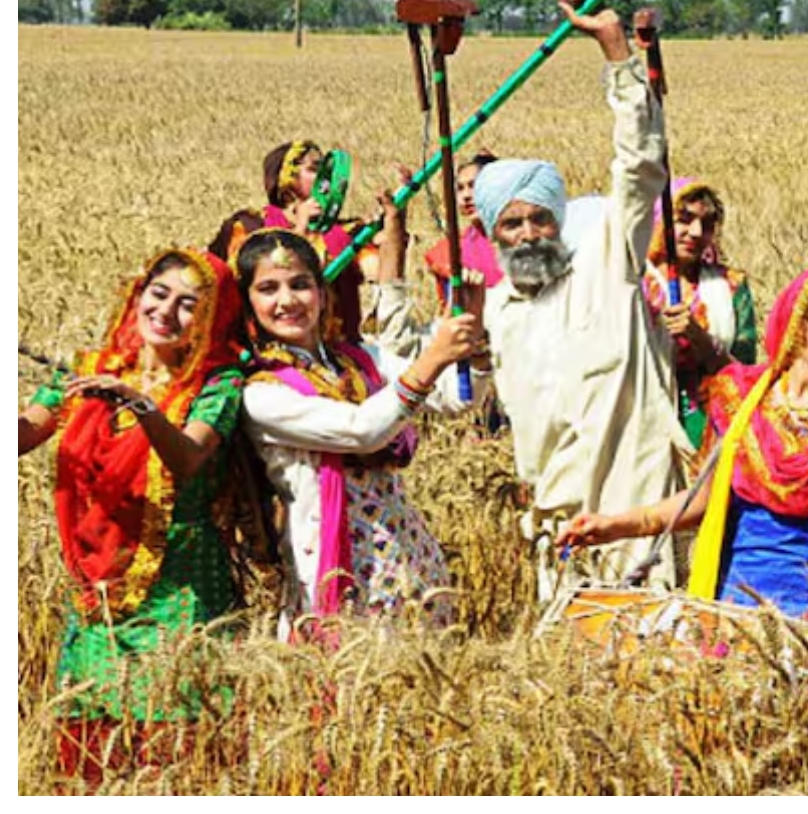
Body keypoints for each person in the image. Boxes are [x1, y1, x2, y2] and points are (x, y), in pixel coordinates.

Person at [469, 0, 691, 600]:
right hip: (556, 516)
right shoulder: (494, 310)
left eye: (538, 219)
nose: (526, 234)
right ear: (492, 235)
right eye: (510, 225)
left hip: (633, 498)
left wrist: (617, 54)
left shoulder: (606, 260)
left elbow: (641, 167)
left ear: (558, 221)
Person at [557, 263, 808, 628]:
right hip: (728, 609)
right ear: (802, 318)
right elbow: (701, 503)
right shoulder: (741, 399)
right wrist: (614, 526)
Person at [18, 248, 245, 781]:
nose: (166, 311)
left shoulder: (217, 384)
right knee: (94, 741)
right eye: (159, 293)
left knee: (179, 746)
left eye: (188, 304)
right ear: (137, 294)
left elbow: (188, 458)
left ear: (210, 319)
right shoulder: (90, 372)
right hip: (98, 594)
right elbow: (26, 431)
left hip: (182, 593)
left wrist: (139, 404)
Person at [235, 223, 487, 637]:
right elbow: (362, 430)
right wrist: (433, 357)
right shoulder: (262, 394)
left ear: (322, 291)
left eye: (300, 284)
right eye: (268, 289)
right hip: (336, 567)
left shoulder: (360, 358)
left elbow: (454, 399)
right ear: (248, 306)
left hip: (409, 558)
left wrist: (472, 344)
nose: (287, 301)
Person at [209, 140, 367, 341]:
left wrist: (393, 221)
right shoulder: (249, 226)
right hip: (266, 349)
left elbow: (382, 274)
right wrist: (300, 229)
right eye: (314, 169)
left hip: (337, 350)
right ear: (286, 180)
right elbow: (242, 281)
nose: (326, 179)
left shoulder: (345, 232)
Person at [642, 177, 758, 448]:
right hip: (645, 427)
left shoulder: (731, 287)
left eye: (706, 224)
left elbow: (743, 373)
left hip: (710, 428)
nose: (696, 232)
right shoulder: (634, 286)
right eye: (684, 219)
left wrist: (699, 338)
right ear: (660, 221)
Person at [423, 151, 505, 304]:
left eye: (473, 186)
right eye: (460, 188)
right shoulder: (452, 249)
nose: (466, 196)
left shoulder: (524, 238)